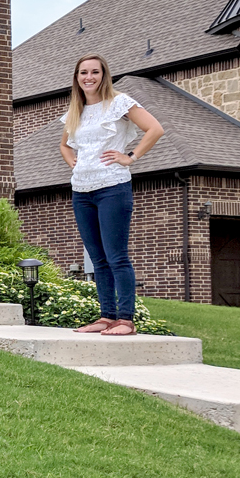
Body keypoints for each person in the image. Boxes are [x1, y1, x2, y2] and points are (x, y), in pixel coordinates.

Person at [59, 54, 164, 336]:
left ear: (104, 75)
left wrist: (130, 157)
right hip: (82, 191)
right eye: (83, 72)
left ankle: (126, 320)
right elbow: (65, 145)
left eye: (95, 72)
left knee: (116, 256)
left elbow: (155, 129)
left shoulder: (119, 102)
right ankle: (106, 317)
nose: (89, 77)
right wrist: (73, 162)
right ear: (77, 77)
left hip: (112, 187)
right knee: (98, 258)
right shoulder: (76, 111)